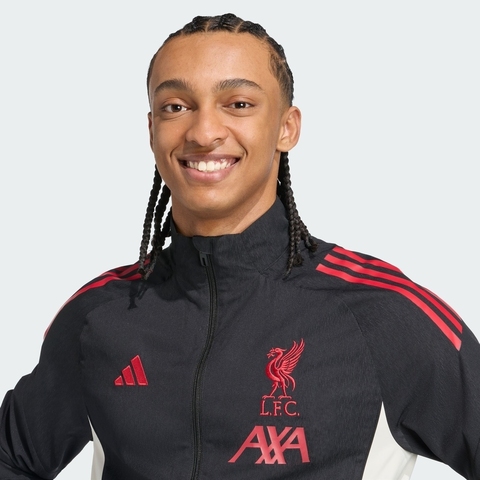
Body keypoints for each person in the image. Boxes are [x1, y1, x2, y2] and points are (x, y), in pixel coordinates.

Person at [0, 12, 479, 480]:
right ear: (151, 130)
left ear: (287, 127)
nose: (203, 132)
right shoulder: (100, 316)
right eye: (176, 107)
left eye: (239, 104)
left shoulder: (382, 313)